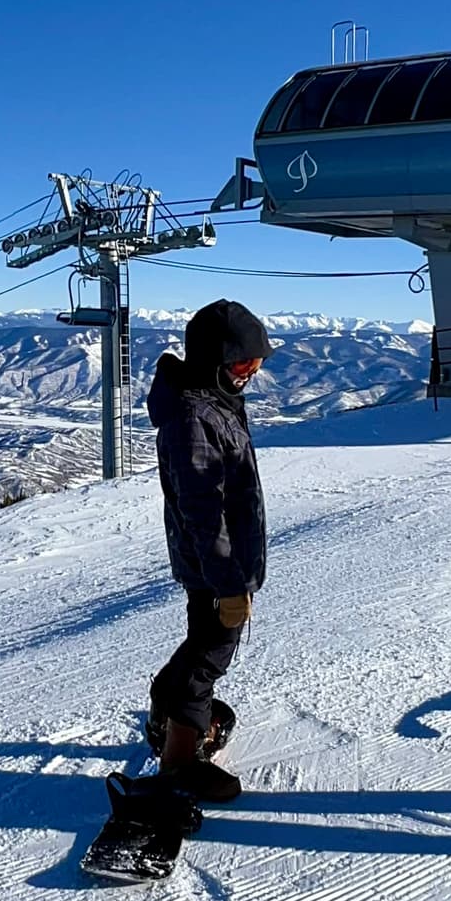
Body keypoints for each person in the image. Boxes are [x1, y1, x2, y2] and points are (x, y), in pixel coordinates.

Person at [145, 299, 270, 805]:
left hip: (222, 562)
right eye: (242, 365)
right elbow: (202, 509)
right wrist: (229, 583)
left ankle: (167, 700)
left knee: (204, 640)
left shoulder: (211, 401)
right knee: (211, 653)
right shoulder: (195, 416)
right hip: (217, 565)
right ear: (212, 362)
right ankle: (179, 761)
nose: (251, 375)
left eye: (257, 364)